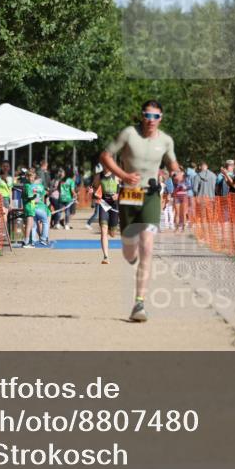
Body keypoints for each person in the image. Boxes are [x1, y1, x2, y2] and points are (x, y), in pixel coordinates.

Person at [100, 100, 182, 322]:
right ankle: (130, 251)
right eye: (147, 115)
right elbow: (105, 156)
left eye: (155, 116)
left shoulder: (166, 140)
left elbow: (173, 163)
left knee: (147, 246)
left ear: (161, 118)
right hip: (128, 193)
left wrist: (176, 173)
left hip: (151, 194)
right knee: (130, 251)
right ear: (142, 115)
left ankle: (139, 303)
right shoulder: (129, 134)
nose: (151, 120)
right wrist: (123, 176)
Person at [94, 165, 120, 264]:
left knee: (112, 233)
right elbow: (94, 188)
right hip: (103, 204)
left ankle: (112, 229)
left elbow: (124, 187)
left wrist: (118, 195)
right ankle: (106, 257)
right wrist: (93, 192)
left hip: (114, 205)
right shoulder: (98, 176)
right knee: (103, 230)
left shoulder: (116, 175)